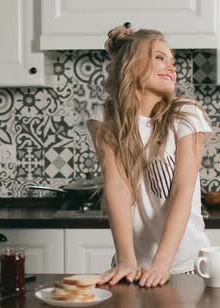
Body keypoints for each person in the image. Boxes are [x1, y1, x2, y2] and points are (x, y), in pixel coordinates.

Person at [87, 23, 213, 288]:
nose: (172, 67)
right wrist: (126, 260)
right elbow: (117, 187)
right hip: (130, 269)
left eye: (172, 61)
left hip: (185, 267)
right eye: (159, 58)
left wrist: (162, 263)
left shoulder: (187, 115)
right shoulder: (105, 117)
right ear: (132, 65)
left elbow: (182, 191)